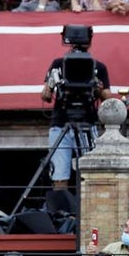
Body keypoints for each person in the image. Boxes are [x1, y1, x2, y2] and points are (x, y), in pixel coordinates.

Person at [41, 25, 113, 190]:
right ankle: (61, 212)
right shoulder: (58, 64)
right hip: (61, 122)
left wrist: (97, 88)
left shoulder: (98, 67)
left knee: (90, 173)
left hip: (87, 121)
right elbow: (45, 95)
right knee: (59, 174)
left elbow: (108, 98)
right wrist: (52, 84)